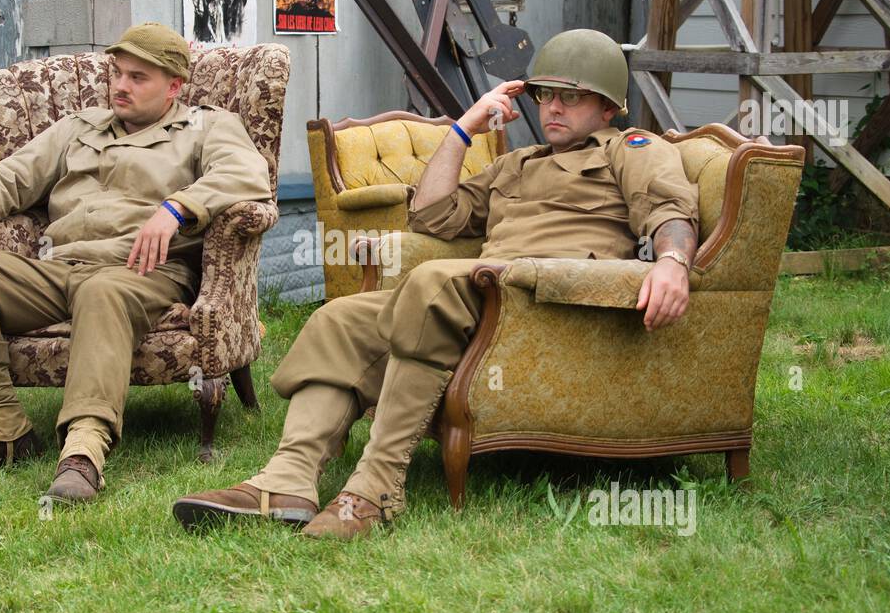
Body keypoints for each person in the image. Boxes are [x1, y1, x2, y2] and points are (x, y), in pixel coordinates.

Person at [173, 29, 700, 539]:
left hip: (551, 301)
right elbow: (431, 215)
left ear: (608, 107)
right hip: (483, 295)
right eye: (545, 96)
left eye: (572, 97)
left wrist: (673, 261)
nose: (553, 108)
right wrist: (465, 127)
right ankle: (287, 480)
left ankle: (377, 487)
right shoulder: (518, 164)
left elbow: (670, 206)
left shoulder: (630, 148)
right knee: (340, 317)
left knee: (429, 282)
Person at [0, 23, 272, 506]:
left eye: (137, 78)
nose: (120, 86)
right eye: (117, 73)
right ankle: (4, 429)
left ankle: (84, 452)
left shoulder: (206, 127)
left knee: (102, 291)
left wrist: (176, 208)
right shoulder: (78, 128)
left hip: (141, 272)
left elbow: (247, 177)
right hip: (57, 267)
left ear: (173, 86)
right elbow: (14, 176)